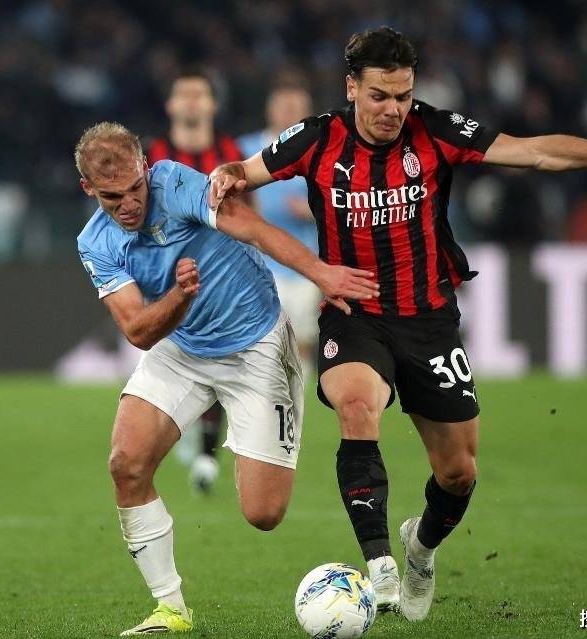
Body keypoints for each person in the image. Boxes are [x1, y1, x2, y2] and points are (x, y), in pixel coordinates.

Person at [211, 26, 587, 621]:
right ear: (351, 88)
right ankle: (379, 566)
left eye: (403, 95)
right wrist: (228, 172)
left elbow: (532, 151)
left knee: (459, 473)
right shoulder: (316, 138)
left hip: (429, 321)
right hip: (355, 315)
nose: (393, 109)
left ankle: (420, 547)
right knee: (356, 406)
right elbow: (242, 172)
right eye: (380, 96)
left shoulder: (434, 130)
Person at [74, 122, 378, 635]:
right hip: (180, 349)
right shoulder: (95, 242)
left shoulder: (175, 184)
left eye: (134, 188)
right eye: (112, 197)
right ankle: (171, 609)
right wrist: (180, 297)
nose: (128, 204)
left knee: (264, 513)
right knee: (126, 463)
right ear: (88, 189)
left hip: (257, 346)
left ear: (146, 168)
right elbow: (138, 331)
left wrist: (322, 274)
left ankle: (247, 446)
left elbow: (254, 228)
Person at [146, 67, 245, 494]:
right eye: (183, 94)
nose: (190, 101)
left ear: (212, 104)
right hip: (164, 279)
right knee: (166, 367)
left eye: (198, 94)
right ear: (170, 105)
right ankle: (184, 430)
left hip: (219, 276)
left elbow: (248, 212)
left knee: (218, 360)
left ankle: (206, 454)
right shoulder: (153, 155)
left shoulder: (230, 152)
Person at [237, 81, 320, 373]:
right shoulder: (246, 149)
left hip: (306, 263)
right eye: (284, 107)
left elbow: (340, 201)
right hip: (260, 263)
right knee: (265, 343)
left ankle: (301, 392)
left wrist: (311, 211)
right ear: (269, 110)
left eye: (296, 108)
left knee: (303, 340)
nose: (289, 113)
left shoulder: (318, 153)